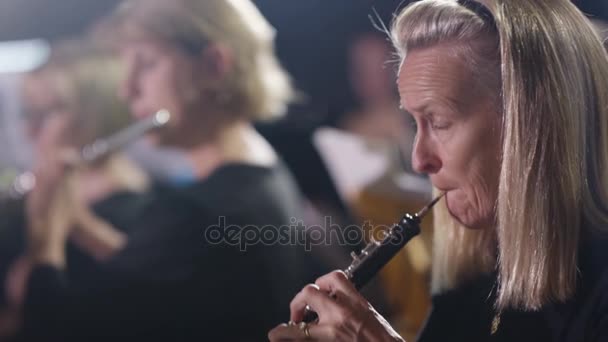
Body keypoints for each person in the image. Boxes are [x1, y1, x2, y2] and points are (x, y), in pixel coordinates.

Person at [269, 0, 608, 341]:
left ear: (534, 124)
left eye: (440, 122)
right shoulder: (473, 276)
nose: (419, 160)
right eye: (414, 123)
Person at [19, 0, 326, 340]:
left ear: (212, 65)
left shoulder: (197, 211)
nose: (127, 90)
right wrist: (77, 221)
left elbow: (52, 329)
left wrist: (44, 232)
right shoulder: (260, 169)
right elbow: (154, 270)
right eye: (126, 67)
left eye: (147, 64)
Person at [0, 39, 150, 339]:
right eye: (27, 112)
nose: (30, 131)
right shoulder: (28, 192)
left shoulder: (140, 216)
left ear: (100, 116)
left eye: (47, 112)